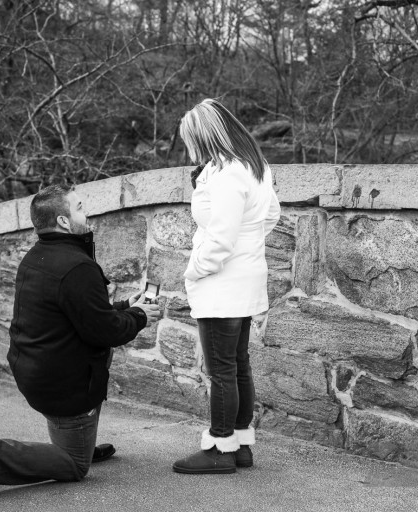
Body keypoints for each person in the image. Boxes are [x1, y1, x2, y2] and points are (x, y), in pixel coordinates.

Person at [0, 184, 161, 496]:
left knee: (93, 368)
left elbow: (83, 315)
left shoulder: (37, 257)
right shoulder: (77, 267)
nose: (85, 212)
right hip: (63, 382)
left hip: (39, 371)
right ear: (63, 221)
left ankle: (77, 445)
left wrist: (128, 307)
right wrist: (141, 317)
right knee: (75, 466)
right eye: (78, 207)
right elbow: (106, 332)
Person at [172, 99, 281, 474]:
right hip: (244, 277)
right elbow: (271, 215)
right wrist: (249, 244)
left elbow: (220, 238)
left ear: (204, 136)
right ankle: (241, 445)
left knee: (221, 370)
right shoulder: (256, 167)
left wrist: (195, 270)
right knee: (237, 366)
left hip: (221, 282)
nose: (191, 149)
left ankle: (220, 449)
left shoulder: (227, 174)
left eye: (191, 140)